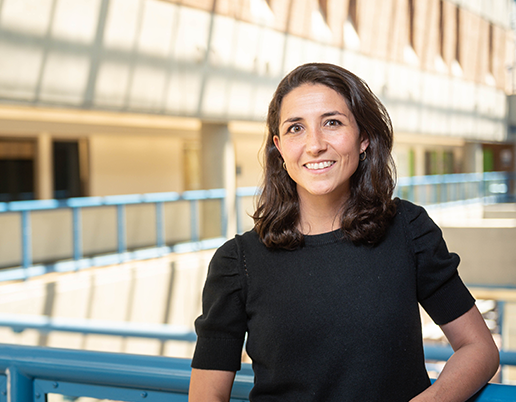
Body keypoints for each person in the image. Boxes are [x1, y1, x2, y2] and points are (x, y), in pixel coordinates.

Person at [188, 63, 499, 401]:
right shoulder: (237, 263)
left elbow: (478, 348)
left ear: (363, 137)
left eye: (332, 123)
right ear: (279, 147)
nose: (315, 145)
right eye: (296, 129)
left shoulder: (408, 230)